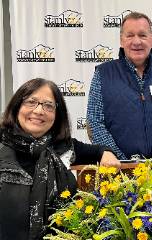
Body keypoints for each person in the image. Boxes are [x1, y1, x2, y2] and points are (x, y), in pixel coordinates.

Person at [0, 78, 120, 240]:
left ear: (57, 114)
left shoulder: (64, 147)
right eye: (31, 102)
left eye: (48, 105)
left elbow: (97, 151)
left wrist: (107, 153)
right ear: (17, 106)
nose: (38, 111)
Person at [87, 11, 152, 160]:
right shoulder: (103, 74)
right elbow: (95, 123)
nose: (136, 41)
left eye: (142, 35)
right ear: (121, 40)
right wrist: (122, 161)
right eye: (130, 35)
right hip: (118, 171)